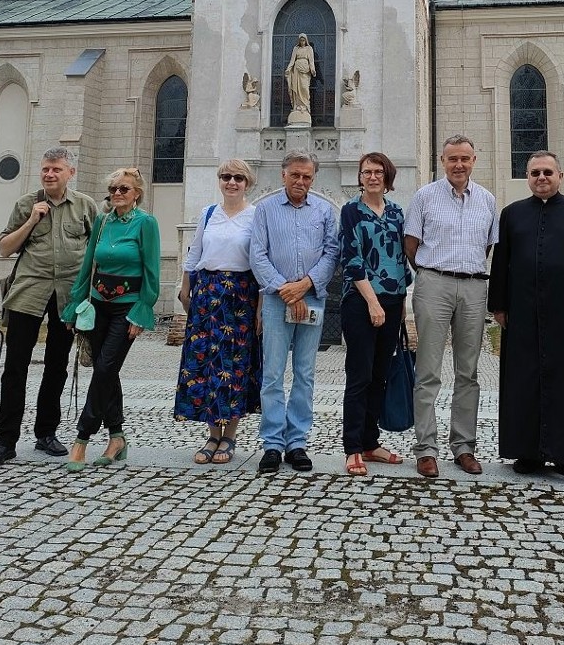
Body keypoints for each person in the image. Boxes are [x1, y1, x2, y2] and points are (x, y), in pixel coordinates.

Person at [488, 151, 564, 478]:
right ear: (528, 177)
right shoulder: (512, 214)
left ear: (560, 176)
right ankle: (528, 454)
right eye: (535, 172)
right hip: (523, 313)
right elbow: (502, 261)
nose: (542, 178)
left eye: (548, 172)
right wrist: (498, 305)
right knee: (523, 381)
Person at [0, 148, 98, 468]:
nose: (49, 174)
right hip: (28, 294)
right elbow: (5, 248)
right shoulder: (26, 204)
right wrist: (32, 219)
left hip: (68, 298)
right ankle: (4, 442)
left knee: (56, 367)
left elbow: (97, 251)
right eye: (45, 169)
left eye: (56, 169)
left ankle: (46, 433)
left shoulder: (85, 206)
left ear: (70, 172)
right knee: (14, 368)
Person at [404, 135, 498, 478]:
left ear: (474, 160)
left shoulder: (487, 199)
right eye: (452, 159)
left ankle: (464, 447)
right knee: (428, 370)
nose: (459, 165)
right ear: (442, 161)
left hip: (473, 286)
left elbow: (487, 245)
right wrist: (433, 274)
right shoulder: (425, 196)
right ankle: (426, 449)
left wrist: (464, 272)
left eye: (465, 159)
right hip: (434, 282)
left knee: (468, 372)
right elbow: (411, 244)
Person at [61, 167, 161, 471]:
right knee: (108, 370)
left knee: (104, 368)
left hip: (126, 307)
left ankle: (82, 438)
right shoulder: (103, 222)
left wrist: (142, 309)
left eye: (124, 189)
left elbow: (151, 270)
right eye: (114, 189)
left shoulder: (146, 223)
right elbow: (87, 264)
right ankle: (117, 437)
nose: (117, 193)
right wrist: (75, 303)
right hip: (99, 305)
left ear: (137, 194)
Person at [250, 152, 339, 474]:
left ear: (313, 178)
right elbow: (257, 254)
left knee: (305, 373)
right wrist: (285, 290)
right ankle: (272, 443)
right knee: (272, 373)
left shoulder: (325, 211)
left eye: (307, 177)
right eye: (295, 176)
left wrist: (305, 285)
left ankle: (297, 441)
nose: (301, 182)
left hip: (312, 297)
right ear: (283, 174)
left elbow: (332, 252)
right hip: (276, 300)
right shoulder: (265, 209)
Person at [174, 158, 262, 464]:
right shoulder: (208, 213)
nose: (232, 182)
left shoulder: (255, 216)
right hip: (207, 293)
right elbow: (194, 252)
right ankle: (213, 435)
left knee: (236, 366)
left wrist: (261, 305)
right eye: (226, 177)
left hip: (241, 295)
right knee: (206, 365)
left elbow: (260, 262)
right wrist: (186, 289)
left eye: (238, 177)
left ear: (247, 183)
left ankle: (230, 436)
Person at [339, 152, 412, 476]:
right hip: (361, 301)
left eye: (377, 171)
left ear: (387, 176)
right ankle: (353, 447)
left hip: (393, 301)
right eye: (366, 172)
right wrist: (372, 302)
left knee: (380, 376)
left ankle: (371, 443)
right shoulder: (351, 211)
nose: (371, 177)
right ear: (360, 176)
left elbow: (401, 259)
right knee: (360, 376)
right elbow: (352, 260)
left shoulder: (397, 212)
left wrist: (402, 299)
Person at [284, 33, 316, 116]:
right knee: (296, 88)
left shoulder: (309, 49)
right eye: (301, 40)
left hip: (305, 69)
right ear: (299, 41)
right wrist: (288, 69)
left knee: (304, 87)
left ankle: (305, 106)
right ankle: (298, 106)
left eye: (304, 40)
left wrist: (313, 70)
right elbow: (292, 60)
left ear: (306, 40)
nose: (302, 42)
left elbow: (311, 61)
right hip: (297, 70)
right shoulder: (296, 48)